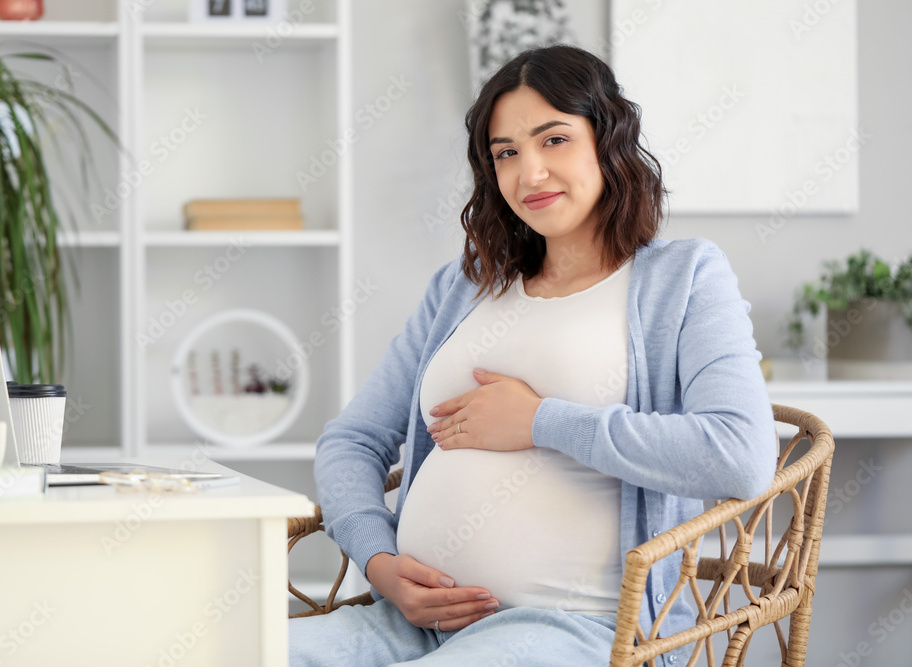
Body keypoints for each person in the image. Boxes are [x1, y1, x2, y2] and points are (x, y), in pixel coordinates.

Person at [290, 44, 776, 667]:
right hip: (407, 625)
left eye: (553, 140)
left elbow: (739, 454)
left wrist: (539, 421)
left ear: (607, 139)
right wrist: (378, 562)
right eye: (506, 153)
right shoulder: (462, 286)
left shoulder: (683, 277)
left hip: (579, 628)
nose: (530, 174)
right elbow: (352, 440)